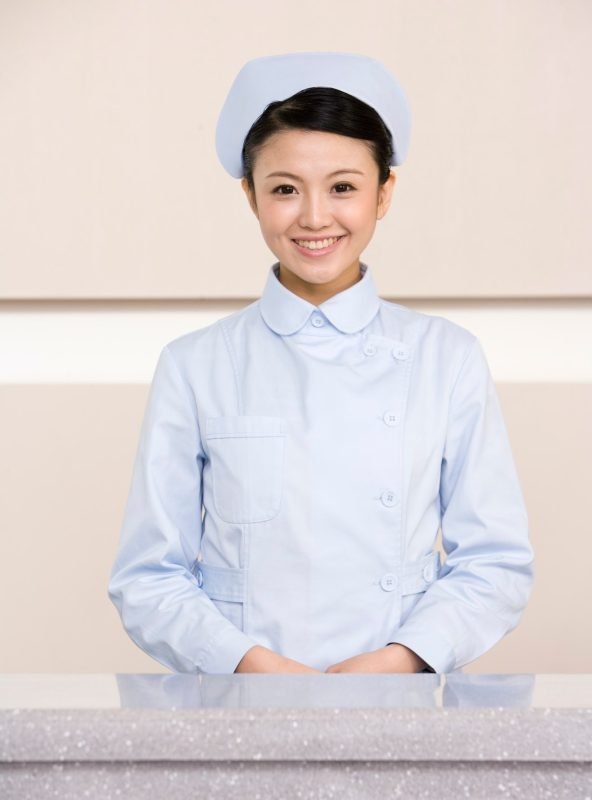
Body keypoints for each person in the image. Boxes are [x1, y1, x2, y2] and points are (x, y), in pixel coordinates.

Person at [108, 52, 534, 675]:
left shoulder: (446, 358)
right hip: (243, 709)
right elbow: (148, 577)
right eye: (284, 189)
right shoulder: (196, 366)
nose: (313, 217)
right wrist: (251, 666)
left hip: (399, 707)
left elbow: (496, 562)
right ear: (251, 196)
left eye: (343, 187)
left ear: (384, 193)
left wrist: (403, 660)